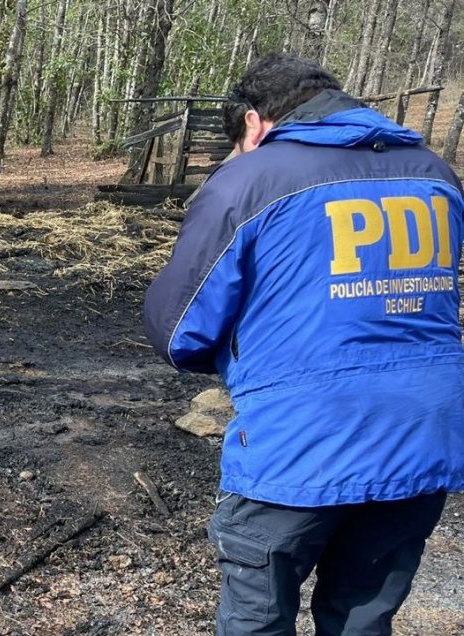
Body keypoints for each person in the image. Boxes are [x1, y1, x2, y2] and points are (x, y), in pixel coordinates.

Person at [143, 54, 464, 635]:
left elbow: (181, 328)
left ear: (252, 124)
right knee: (363, 617)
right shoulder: (435, 173)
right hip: (423, 438)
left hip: (303, 442)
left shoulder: (251, 179)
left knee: (259, 618)